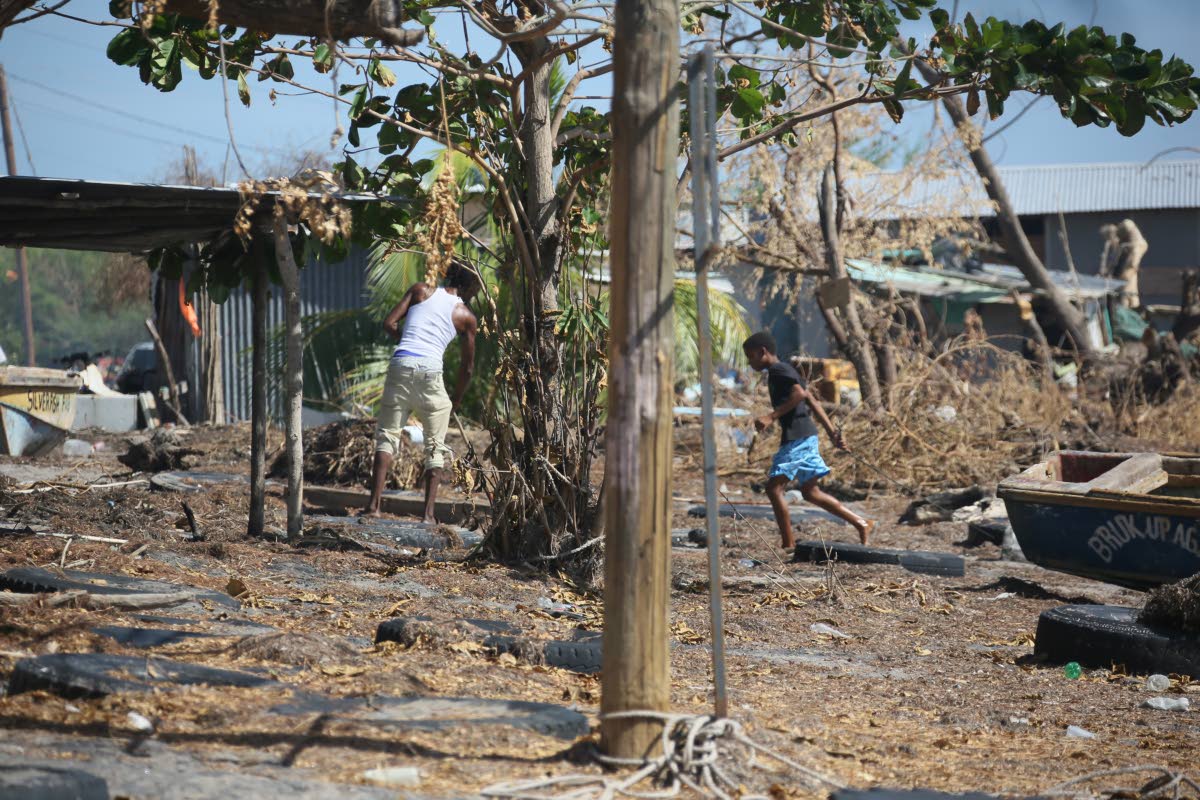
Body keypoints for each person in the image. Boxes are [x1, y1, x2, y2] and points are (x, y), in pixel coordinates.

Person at [362, 259, 480, 522]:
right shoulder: (466, 317)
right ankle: (427, 516)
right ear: (470, 285)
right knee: (435, 446)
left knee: (386, 436)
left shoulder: (420, 291)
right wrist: (456, 400)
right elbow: (467, 368)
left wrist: (407, 342)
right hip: (430, 372)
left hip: (400, 362)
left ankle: (373, 507)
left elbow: (389, 324)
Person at [742, 331, 874, 548]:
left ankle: (788, 544)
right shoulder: (783, 370)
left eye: (751, 356)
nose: (750, 361)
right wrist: (832, 433)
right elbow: (811, 399)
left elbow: (801, 396)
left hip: (798, 437)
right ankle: (861, 523)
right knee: (811, 493)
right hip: (804, 435)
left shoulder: (778, 371)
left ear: (762, 352)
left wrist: (771, 416)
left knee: (774, 489)